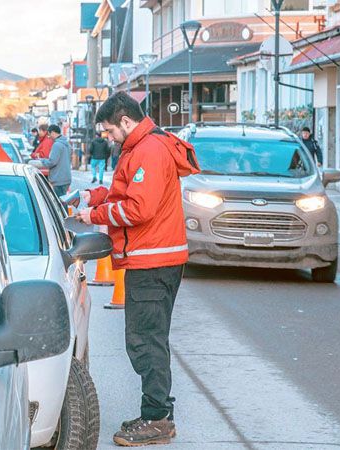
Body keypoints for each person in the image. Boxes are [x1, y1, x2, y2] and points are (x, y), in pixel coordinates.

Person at [69, 91, 199, 447]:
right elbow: (125, 192)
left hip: (153, 259)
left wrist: (93, 215)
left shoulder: (149, 151)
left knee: (145, 342)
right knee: (150, 339)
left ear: (126, 121)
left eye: (109, 131)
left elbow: (138, 209)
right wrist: (94, 197)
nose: (107, 137)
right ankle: (158, 411)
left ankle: (156, 419)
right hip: (156, 257)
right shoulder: (142, 148)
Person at [32, 124, 72, 196]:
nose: (49, 137)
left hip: (59, 178)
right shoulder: (67, 144)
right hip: (66, 177)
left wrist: (41, 160)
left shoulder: (57, 145)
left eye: (49, 134)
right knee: (63, 201)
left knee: (59, 203)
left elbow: (52, 162)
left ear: (53, 132)